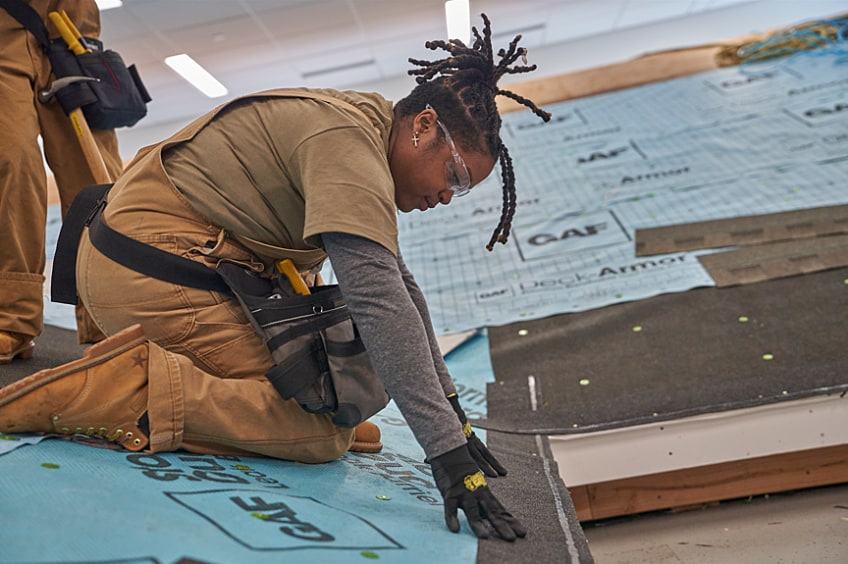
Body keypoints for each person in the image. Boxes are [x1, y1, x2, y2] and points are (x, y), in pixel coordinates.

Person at [0, 14, 550, 540]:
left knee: (339, 391)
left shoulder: (365, 129)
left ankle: (232, 405)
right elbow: (380, 304)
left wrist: (454, 416)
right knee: (320, 434)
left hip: (168, 262)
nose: (448, 196)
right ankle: (128, 391)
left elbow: (399, 286)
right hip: (149, 271)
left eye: (465, 188)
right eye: (454, 174)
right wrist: (446, 454)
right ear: (423, 125)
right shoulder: (347, 144)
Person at [0, 0, 124, 364]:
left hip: (72, 25)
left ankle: (111, 320)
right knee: (10, 164)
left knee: (95, 177)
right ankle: (13, 319)